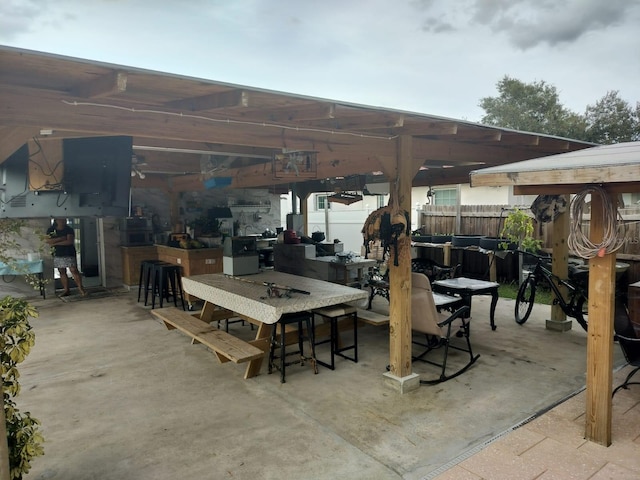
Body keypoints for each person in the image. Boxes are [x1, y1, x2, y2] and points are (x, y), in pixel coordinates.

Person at [46, 218, 86, 296]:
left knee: (73, 270)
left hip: (69, 252)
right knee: (61, 271)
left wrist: (55, 243)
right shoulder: (51, 230)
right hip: (57, 253)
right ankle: (66, 290)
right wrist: (61, 238)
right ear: (56, 220)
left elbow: (69, 241)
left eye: (64, 219)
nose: (62, 221)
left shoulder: (69, 229)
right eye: (61, 219)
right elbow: (49, 241)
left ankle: (81, 289)